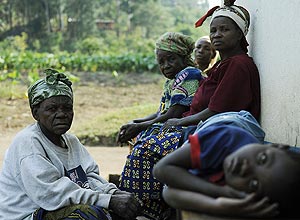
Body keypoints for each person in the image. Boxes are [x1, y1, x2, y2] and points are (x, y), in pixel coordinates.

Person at [118, 1, 261, 219]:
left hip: (216, 134)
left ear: (240, 33)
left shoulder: (238, 65)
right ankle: (150, 208)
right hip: (201, 128)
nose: (216, 35)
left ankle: (144, 211)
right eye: (213, 30)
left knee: (144, 151)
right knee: (145, 139)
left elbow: (215, 112)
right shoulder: (222, 66)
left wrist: (179, 122)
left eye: (224, 29)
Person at [0, 69, 142, 220]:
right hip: (28, 215)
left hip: (52, 208)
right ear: (35, 113)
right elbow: (52, 193)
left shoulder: (71, 141)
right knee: (85, 215)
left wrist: (113, 193)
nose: (61, 114)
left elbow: (89, 178)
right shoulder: (28, 143)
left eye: (67, 108)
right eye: (52, 109)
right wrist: (108, 200)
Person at [153, 121, 300, 218]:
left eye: (254, 184)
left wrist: (219, 206)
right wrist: (220, 192)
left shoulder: (241, 195)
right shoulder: (226, 137)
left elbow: (170, 193)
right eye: (262, 159)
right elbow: (161, 169)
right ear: (275, 146)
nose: (245, 168)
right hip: (221, 123)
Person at [117, 32, 203, 145]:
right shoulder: (171, 81)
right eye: (161, 62)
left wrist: (139, 126)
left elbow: (173, 114)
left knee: (145, 139)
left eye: (171, 59)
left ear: (183, 57)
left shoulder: (189, 74)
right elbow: (160, 113)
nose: (166, 65)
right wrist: (136, 122)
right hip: (171, 126)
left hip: (185, 130)